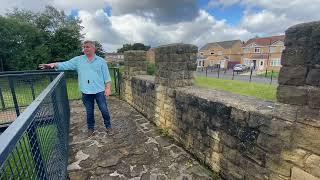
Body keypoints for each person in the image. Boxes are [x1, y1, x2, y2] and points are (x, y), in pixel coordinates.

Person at [39, 40, 113, 137]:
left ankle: (108, 126)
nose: (85, 49)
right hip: (86, 91)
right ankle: (90, 128)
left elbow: (107, 76)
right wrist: (52, 65)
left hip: (99, 90)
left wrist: (108, 88)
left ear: (94, 48)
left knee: (104, 110)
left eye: (88, 47)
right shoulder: (78, 60)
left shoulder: (101, 61)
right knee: (89, 111)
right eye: (84, 47)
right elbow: (65, 64)